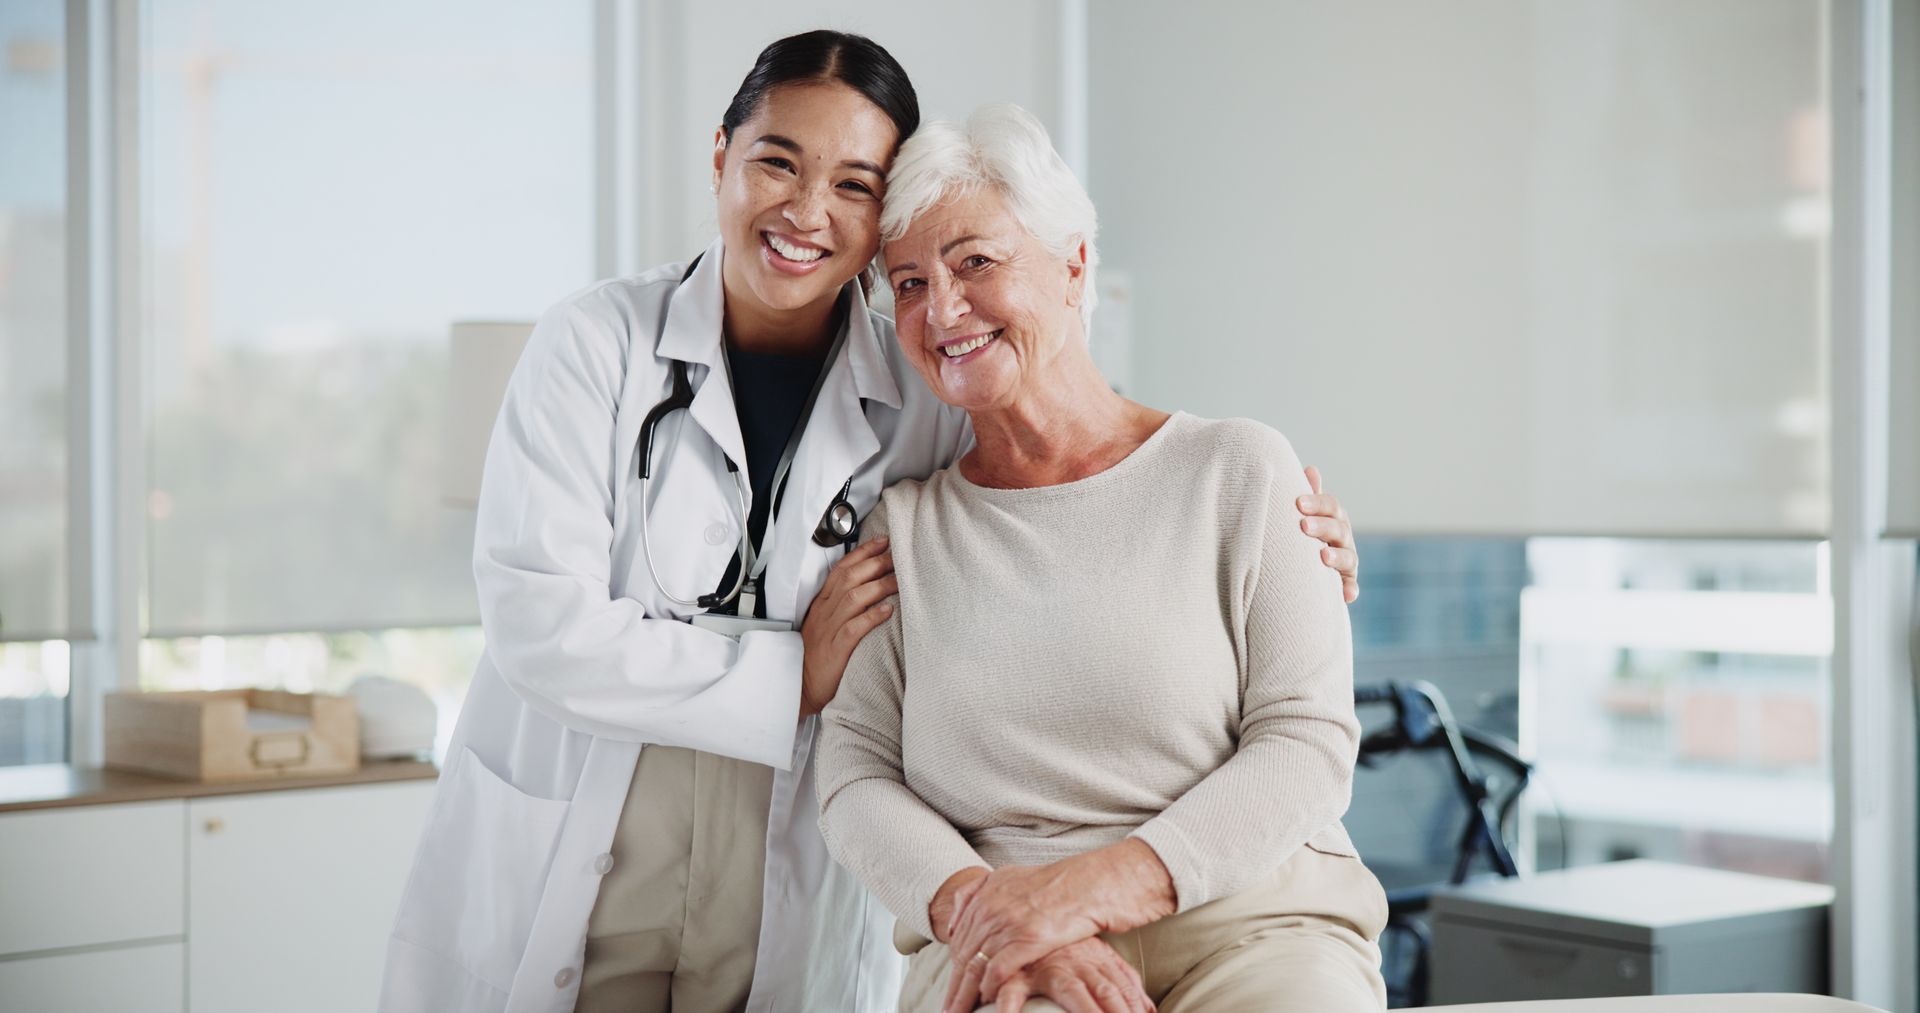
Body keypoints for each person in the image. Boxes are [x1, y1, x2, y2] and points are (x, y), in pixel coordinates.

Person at [380, 32, 1361, 1013]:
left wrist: (1278, 532)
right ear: (720, 155)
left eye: (854, 185)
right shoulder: (596, 345)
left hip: (774, 846)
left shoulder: (922, 375)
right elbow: (540, 626)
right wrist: (790, 675)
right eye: (777, 161)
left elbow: (1069, 469)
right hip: (593, 820)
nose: (808, 211)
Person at [816, 103, 1389, 1013]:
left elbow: (1308, 743)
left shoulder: (1238, 470)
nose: (943, 309)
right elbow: (852, 772)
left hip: (1256, 922)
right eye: (911, 283)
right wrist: (990, 917)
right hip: (997, 948)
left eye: (975, 262)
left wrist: (1080, 896)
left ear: (1074, 262)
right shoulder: (903, 528)